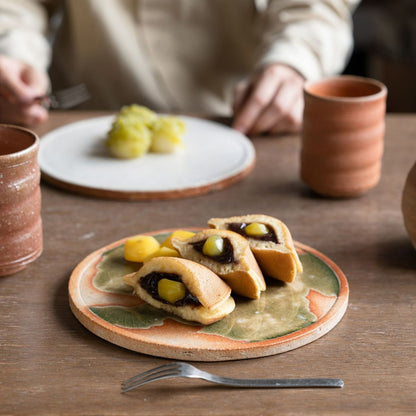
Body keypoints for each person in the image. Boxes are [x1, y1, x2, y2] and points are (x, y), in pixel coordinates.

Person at [0, 0, 359, 135]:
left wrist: (294, 61)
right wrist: (12, 50)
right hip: (78, 119)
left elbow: (315, 6)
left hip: (245, 120)